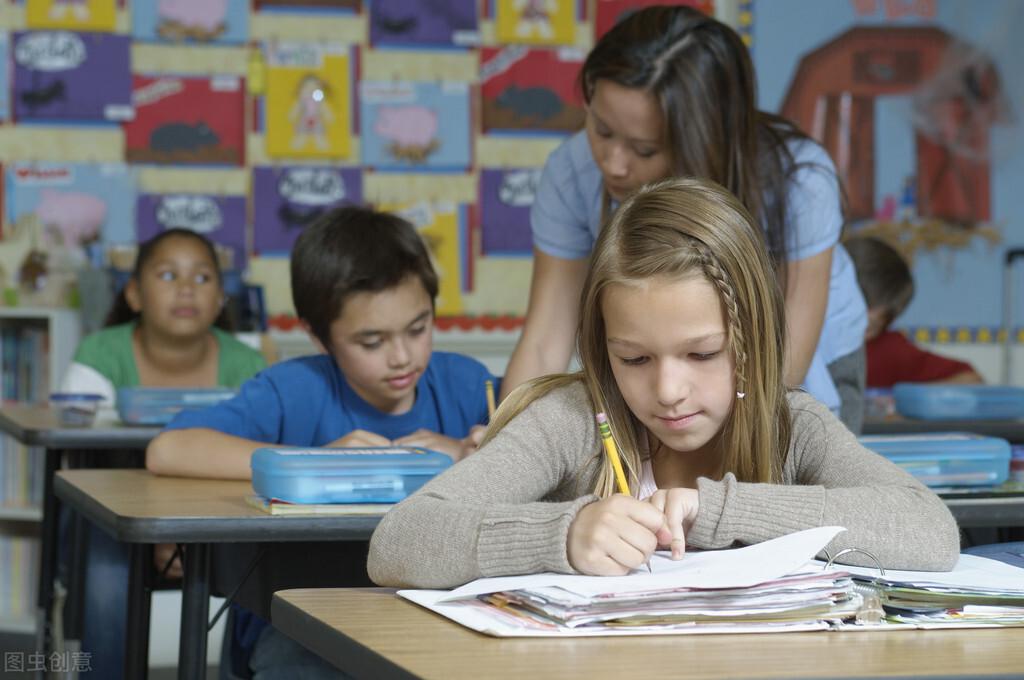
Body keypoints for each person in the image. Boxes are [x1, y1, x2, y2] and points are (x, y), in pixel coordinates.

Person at [368, 178, 959, 590]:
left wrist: (723, 510)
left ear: (751, 338)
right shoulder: (573, 420)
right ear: (603, 346)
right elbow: (399, 540)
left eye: (702, 354)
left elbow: (929, 532)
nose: (669, 389)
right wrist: (564, 534)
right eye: (634, 359)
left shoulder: (792, 426)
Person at [146, 205, 495, 678]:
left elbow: (528, 455)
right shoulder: (293, 390)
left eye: (419, 328)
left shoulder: (469, 384)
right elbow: (168, 449)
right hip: (296, 621)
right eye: (371, 342)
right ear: (318, 335)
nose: (402, 356)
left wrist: (473, 452)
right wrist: (313, 462)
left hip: (437, 612)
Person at [501, 4, 868, 433]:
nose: (613, 164)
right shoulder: (571, 171)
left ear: (704, 138)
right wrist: (506, 443)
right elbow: (545, 341)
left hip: (805, 365)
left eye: (644, 150)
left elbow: (786, 365)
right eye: (601, 130)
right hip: (676, 366)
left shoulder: (800, 180)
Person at [58, 228, 267, 680]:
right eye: (168, 275)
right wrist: (156, 531)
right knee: (106, 582)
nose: (187, 289)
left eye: (203, 278)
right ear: (134, 294)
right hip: (109, 519)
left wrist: (188, 530)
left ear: (221, 300)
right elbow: (81, 463)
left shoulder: (248, 365)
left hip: (219, 520)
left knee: (262, 572)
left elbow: (252, 465)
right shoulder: (98, 354)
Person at [845, 235, 983, 387]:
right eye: (849, 318)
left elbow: (970, 379)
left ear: (884, 323)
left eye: (870, 327)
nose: (856, 330)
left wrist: (903, 402)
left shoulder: (889, 350)